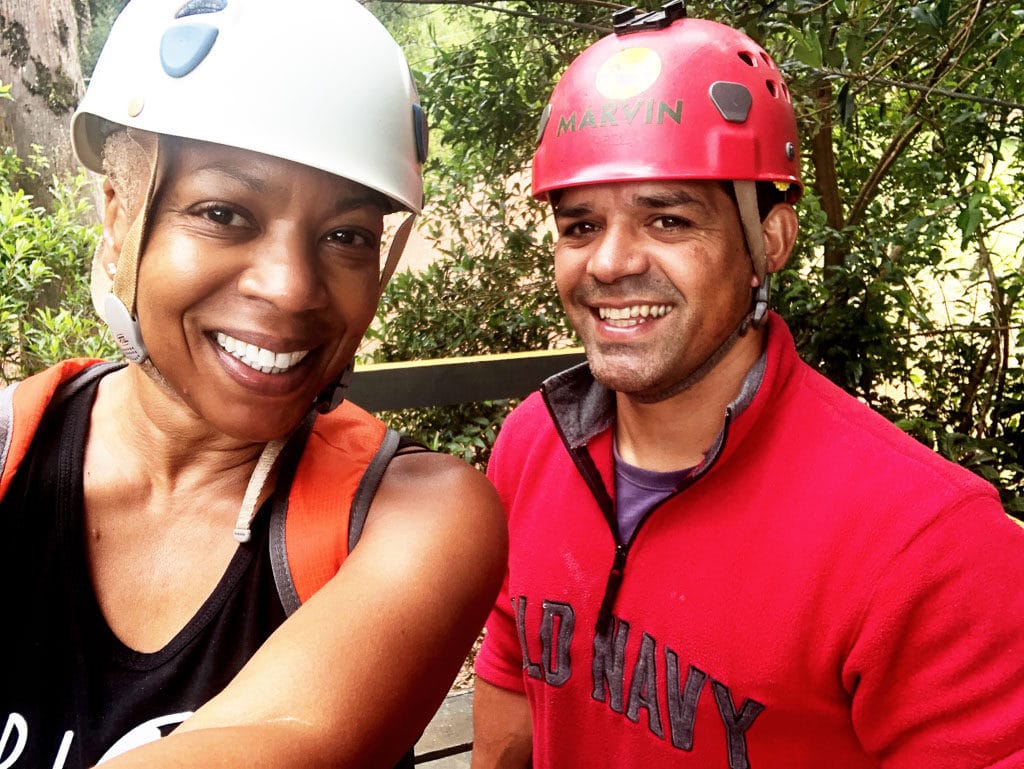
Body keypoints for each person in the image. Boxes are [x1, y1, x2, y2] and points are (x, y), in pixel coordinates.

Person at [470, 4, 1024, 768]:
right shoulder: (533, 444)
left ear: (769, 240)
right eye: (580, 225)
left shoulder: (931, 545)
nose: (607, 263)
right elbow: (510, 666)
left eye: (666, 219)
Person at [0, 1, 506, 767]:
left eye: (346, 236)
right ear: (117, 217)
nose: (293, 287)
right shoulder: (13, 453)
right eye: (224, 212)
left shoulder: (416, 519)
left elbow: (299, 738)